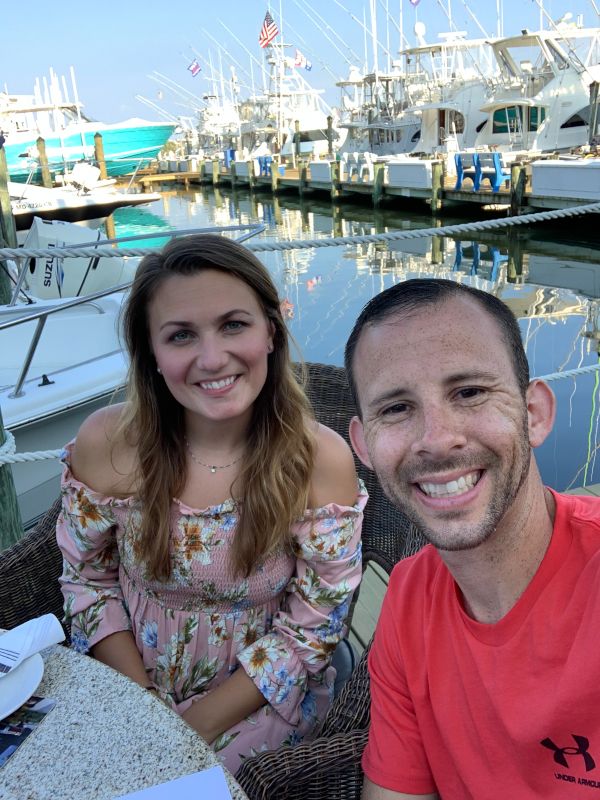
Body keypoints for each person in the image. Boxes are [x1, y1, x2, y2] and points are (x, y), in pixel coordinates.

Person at [57, 234, 365, 773]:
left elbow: (314, 626)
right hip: (124, 683)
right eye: (181, 335)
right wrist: (142, 707)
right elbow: (87, 582)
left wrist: (189, 729)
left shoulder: (319, 460)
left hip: (257, 699)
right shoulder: (107, 443)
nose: (212, 357)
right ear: (151, 353)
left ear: (271, 331)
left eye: (234, 325)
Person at [344, 278, 600, 799]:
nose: (437, 440)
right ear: (364, 446)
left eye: (469, 392)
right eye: (396, 408)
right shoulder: (408, 598)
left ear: (534, 414)